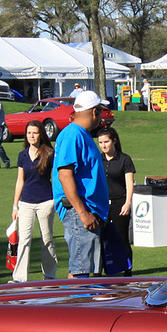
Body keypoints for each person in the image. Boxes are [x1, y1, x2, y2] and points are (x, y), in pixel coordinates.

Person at [53, 90, 109, 277]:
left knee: (89, 270)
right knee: (80, 272)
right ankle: (74, 304)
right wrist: (83, 213)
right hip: (80, 211)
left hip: (89, 210)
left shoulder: (81, 134)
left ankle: (84, 303)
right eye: (100, 111)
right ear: (94, 112)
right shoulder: (72, 135)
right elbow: (65, 175)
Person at [10, 120, 58, 282]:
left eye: (35, 132)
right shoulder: (22, 155)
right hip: (26, 203)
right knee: (24, 240)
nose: (32, 136)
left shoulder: (50, 153)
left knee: (47, 239)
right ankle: (19, 277)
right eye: (29, 132)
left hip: (45, 202)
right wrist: (15, 205)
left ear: (41, 134)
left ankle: (50, 275)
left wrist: (54, 200)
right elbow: (20, 181)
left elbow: (58, 178)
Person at [97, 125, 135, 276]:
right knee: (101, 239)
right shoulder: (98, 159)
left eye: (106, 142)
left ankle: (128, 271)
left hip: (120, 203)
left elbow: (129, 183)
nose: (103, 145)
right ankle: (103, 271)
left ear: (114, 141)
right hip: (102, 205)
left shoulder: (124, 159)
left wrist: (128, 202)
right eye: (100, 143)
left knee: (122, 239)